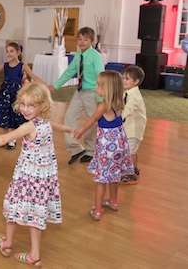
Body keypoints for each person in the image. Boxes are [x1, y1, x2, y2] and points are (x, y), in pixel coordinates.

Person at [0, 83, 72, 268]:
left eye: (31, 105)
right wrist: (70, 130)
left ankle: (7, 245)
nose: (25, 109)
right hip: (43, 181)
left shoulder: (29, 126)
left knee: (12, 207)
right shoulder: (46, 123)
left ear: (42, 105)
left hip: (26, 179)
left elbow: (4, 138)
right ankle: (34, 255)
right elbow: (58, 126)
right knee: (36, 214)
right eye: (23, 104)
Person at [73, 70, 134, 221]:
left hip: (107, 148)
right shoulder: (119, 103)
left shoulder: (103, 106)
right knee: (114, 175)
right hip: (119, 146)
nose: (96, 86)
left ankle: (98, 210)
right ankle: (113, 202)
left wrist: (80, 131)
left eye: (98, 85)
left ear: (106, 89)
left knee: (101, 179)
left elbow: (92, 119)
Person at [48, 27, 105, 165]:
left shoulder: (95, 56)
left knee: (92, 122)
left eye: (86, 39)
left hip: (93, 92)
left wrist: (101, 98)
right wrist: (55, 86)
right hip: (80, 91)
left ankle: (91, 151)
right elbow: (69, 72)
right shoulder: (78, 55)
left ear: (92, 41)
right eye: (79, 39)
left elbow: (101, 76)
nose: (82, 42)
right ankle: (75, 149)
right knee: (69, 116)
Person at [0, 41, 45, 149]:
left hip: (17, 94)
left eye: (11, 51)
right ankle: (6, 137)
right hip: (5, 93)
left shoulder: (22, 66)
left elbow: (33, 76)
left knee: (15, 115)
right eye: (7, 51)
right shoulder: (5, 65)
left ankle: (12, 139)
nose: (9, 54)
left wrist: (45, 84)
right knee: (5, 115)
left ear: (18, 52)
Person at [119, 66, 146, 185]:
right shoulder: (126, 93)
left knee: (130, 152)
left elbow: (128, 109)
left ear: (136, 82)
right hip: (129, 128)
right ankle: (134, 169)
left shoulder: (134, 96)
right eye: (123, 78)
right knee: (132, 150)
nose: (124, 81)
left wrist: (117, 118)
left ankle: (131, 175)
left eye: (127, 79)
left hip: (134, 129)